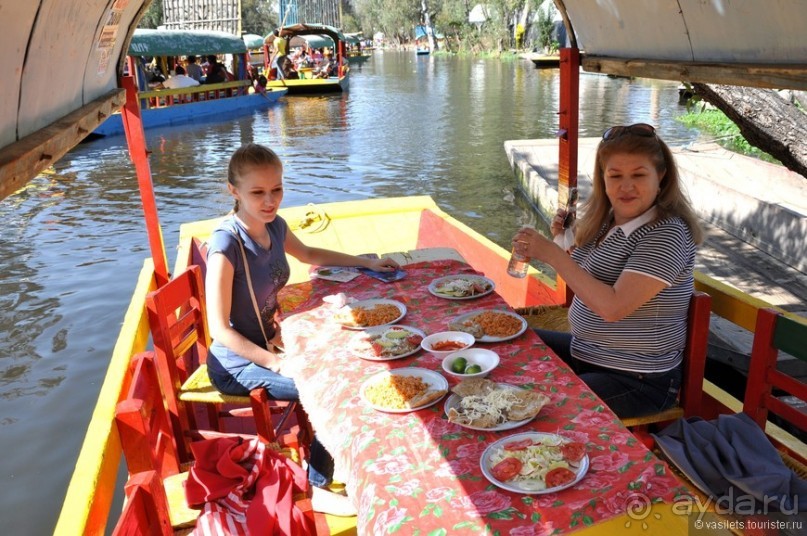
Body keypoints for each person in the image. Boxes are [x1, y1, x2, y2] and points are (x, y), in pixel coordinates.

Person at [205, 143, 400, 515]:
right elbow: (220, 330)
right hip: (236, 363)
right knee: (331, 391)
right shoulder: (226, 244)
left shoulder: (275, 226)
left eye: (276, 189)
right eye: (258, 192)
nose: (270, 201)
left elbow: (309, 254)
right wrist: (275, 363)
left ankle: (335, 451)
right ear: (234, 191)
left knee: (351, 361)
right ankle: (319, 486)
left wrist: (367, 263)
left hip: (270, 342)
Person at [511, 123, 703, 419]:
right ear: (603, 178)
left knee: (542, 410)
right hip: (587, 352)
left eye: (639, 175)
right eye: (615, 176)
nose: (626, 186)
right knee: (512, 339)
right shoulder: (607, 220)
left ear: (661, 176)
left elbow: (612, 307)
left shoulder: (667, 234)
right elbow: (591, 274)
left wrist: (551, 256)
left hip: (637, 379)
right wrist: (561, 242)